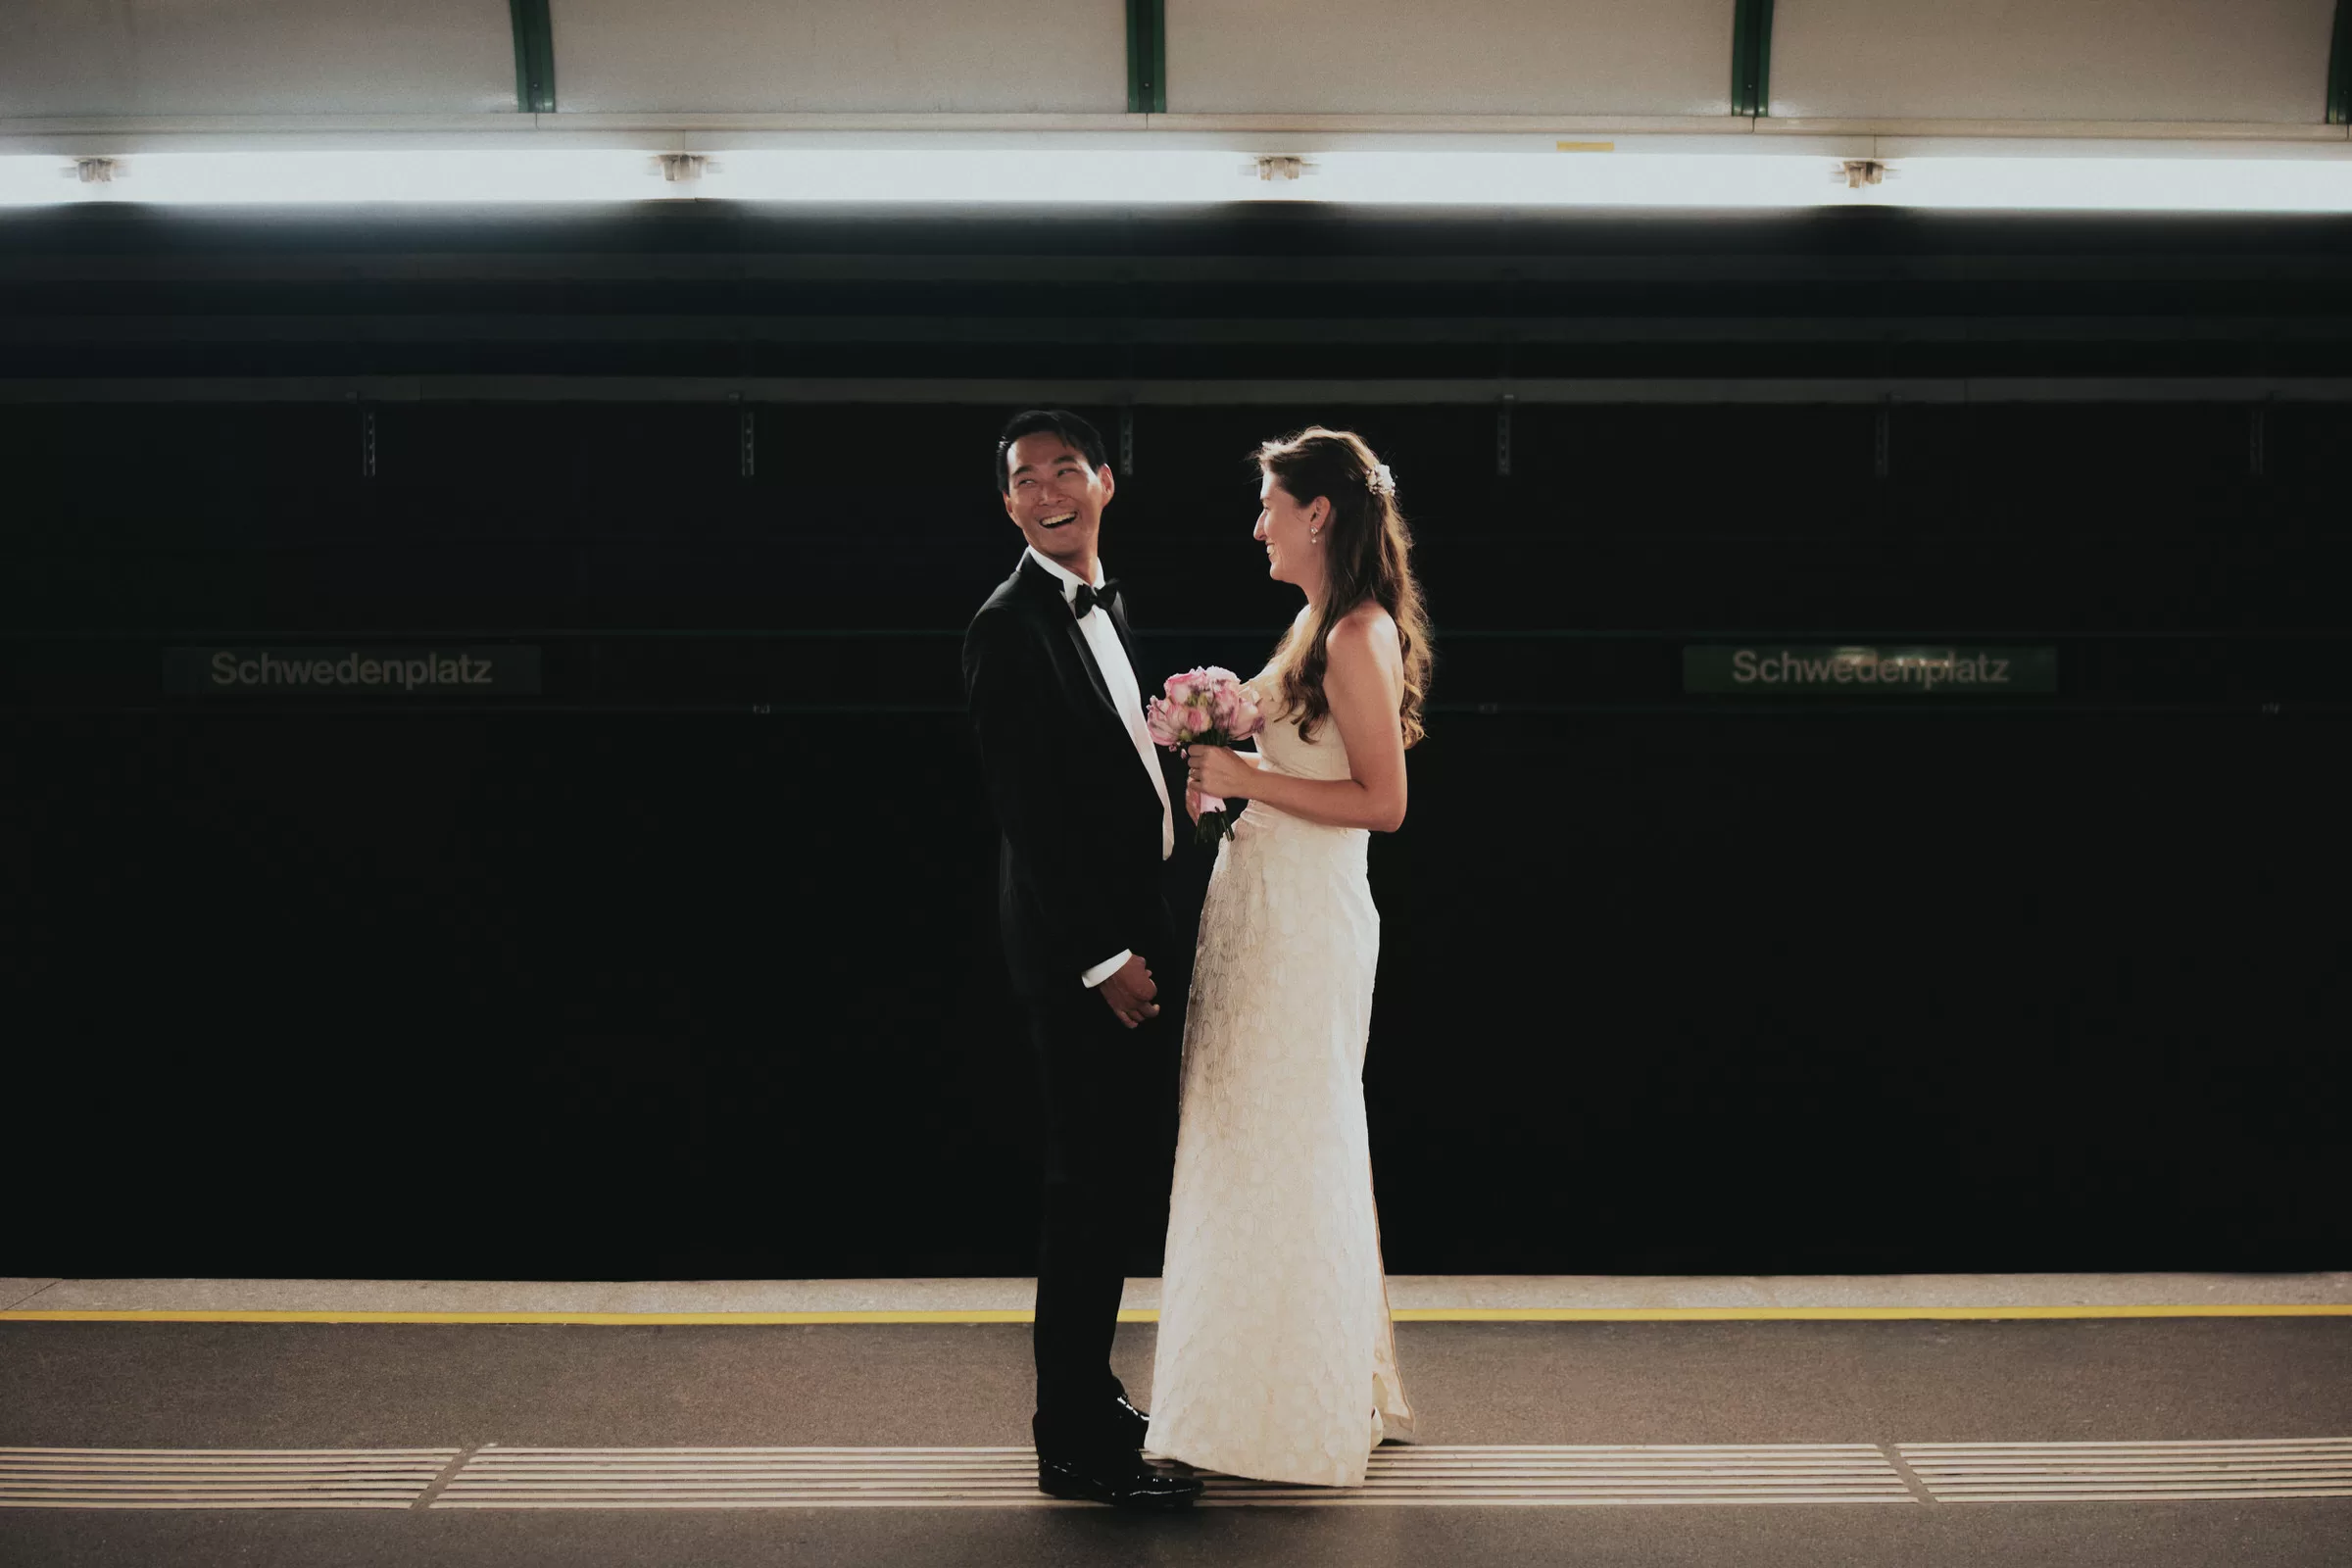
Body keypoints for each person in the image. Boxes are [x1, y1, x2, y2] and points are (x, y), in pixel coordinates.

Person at [1145, 426, 1434, 1488]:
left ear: (1318, 513)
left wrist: (1245, 773)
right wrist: (1227, 752)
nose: (1257, 522)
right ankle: (1257, 1387)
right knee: (1251, 1135)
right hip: (1262, 908)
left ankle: (1280, 1409)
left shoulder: (1356, 634)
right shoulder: (1314, 619)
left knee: (1288, 1137)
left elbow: (1383, 805)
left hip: (1306, 920)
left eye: (1269, 504)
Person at [960, 409, 1205, 1510]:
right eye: (1026, 478)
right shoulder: (1006, 624)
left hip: (1131, 929)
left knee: (1106, 1188)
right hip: (1083, 960)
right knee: (1084, 1191)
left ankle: (1092, 1398)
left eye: (1068, 468)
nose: (1048, 489)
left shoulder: (1106, 606)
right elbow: (1029, 815)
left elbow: (1110, 781)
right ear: (1007, 502)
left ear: (1105, 482)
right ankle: (1071, 1441)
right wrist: (1106, 958)